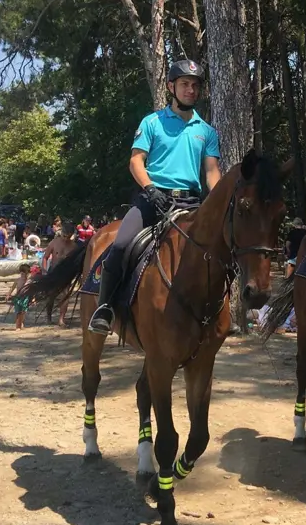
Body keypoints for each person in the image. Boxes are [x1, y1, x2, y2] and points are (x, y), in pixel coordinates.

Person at [89, 59, 221, 334]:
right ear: (172, 86)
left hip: (191, 202)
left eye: (195, 86)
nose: (191, 90)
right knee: (121, 245)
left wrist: (217, 199)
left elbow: (211, 171)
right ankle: (105, 307)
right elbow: (136, 161)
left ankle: (218, 313)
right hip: (153, 198)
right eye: (185, 84)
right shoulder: (152, 122)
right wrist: (149, 188)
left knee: (221, 250)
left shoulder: (207, 131)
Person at [42, 222, 78, 327]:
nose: (66, 238)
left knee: (65, 295)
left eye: (68, 236)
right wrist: (44, 270)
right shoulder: (54, 242)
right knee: (51, 296)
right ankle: (48, 317)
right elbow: (45, 257)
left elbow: (75, 262)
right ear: (61, 233)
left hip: (66, 273)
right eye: (64, 236)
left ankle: (61, 319)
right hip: (53, 270)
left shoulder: (73, 247)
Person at [8, 262, 33, 330]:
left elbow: (31, 289)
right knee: (18, 311)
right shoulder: (17, 280)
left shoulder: (28, 281)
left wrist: (33, 298)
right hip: (18, 297)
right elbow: (12, 288)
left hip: (25, 297)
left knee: (23, 311)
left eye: (24, 273)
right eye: (21, 272)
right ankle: (17, 326)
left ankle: (21, 322)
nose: (22, 274)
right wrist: (8, 294)